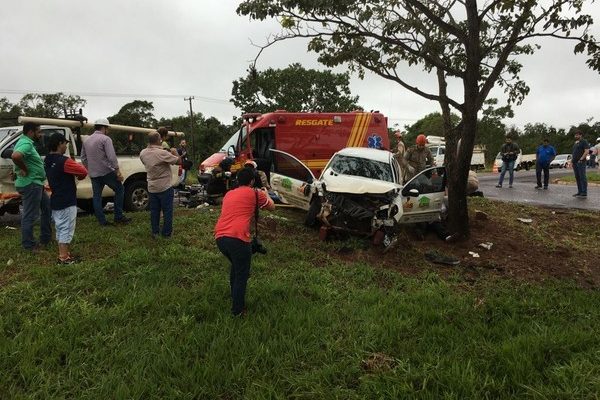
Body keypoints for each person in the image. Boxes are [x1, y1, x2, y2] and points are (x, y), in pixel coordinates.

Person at [214, 167, 275, 316]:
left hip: (220, 237)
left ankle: (234, 294)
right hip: (238, 238)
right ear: (252, 181)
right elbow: (272, 207)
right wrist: (266, 194)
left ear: (237, 180)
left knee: (236, 266)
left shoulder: (229, 194)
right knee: (242, 274)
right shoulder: (255, 193)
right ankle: (237, 311)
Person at [44, 133, 88, 264]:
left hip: (56, 198)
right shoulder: (64, 161)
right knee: (66, 228)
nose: (66, 146)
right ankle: (64, 258)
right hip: (67, 200)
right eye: (65, 143)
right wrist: (78, 177)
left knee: (60, 226)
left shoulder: (47, 160)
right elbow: (83, 172)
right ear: (59, 143)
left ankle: (64, 254)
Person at [81, 117, 131, 226]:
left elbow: (83, 158)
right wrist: (117, 171)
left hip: (94, 173)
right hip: (106, 171)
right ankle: (118, 216)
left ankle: (102, 221)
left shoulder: (87, 140)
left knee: (97, 197)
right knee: (120, 189)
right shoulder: (106, 139)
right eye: (107, 128)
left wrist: (89, 169)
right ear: (104, 128)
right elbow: (112, 157)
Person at [11, 122, 52, 250]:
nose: (40, 135)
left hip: (36, 183)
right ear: (30, 132)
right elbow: (16, 156)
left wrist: (18, 168)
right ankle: (29, 245)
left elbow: (19, 158)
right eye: (38, 132)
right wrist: (24, 168)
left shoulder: (24, 142)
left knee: (47, 208)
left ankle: (46, 238)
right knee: (30, 215)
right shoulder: (27, 144)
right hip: (31, 184)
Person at [139, 131, 181, 238]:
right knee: (167, 211)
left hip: (152, 186)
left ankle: (155, 232)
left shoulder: (143, 153)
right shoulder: (162, 153)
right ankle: (167, 233)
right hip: (164, 186)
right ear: (159, 140)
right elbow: (178, 161)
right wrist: (175, 152)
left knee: (154, 211)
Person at [572, 130, 590, 198]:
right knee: (577, 177)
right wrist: (572, 161)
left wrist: (581, 159)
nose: (576, 136)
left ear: (580, 135)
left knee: (582, 177)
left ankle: (584, 192)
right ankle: (579, 192)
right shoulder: (576, 143)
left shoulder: (584, 141)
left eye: (577, 135)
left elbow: (587, 151)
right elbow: (574, 152)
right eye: (575, 135)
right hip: (575, 162)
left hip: (581, 162)